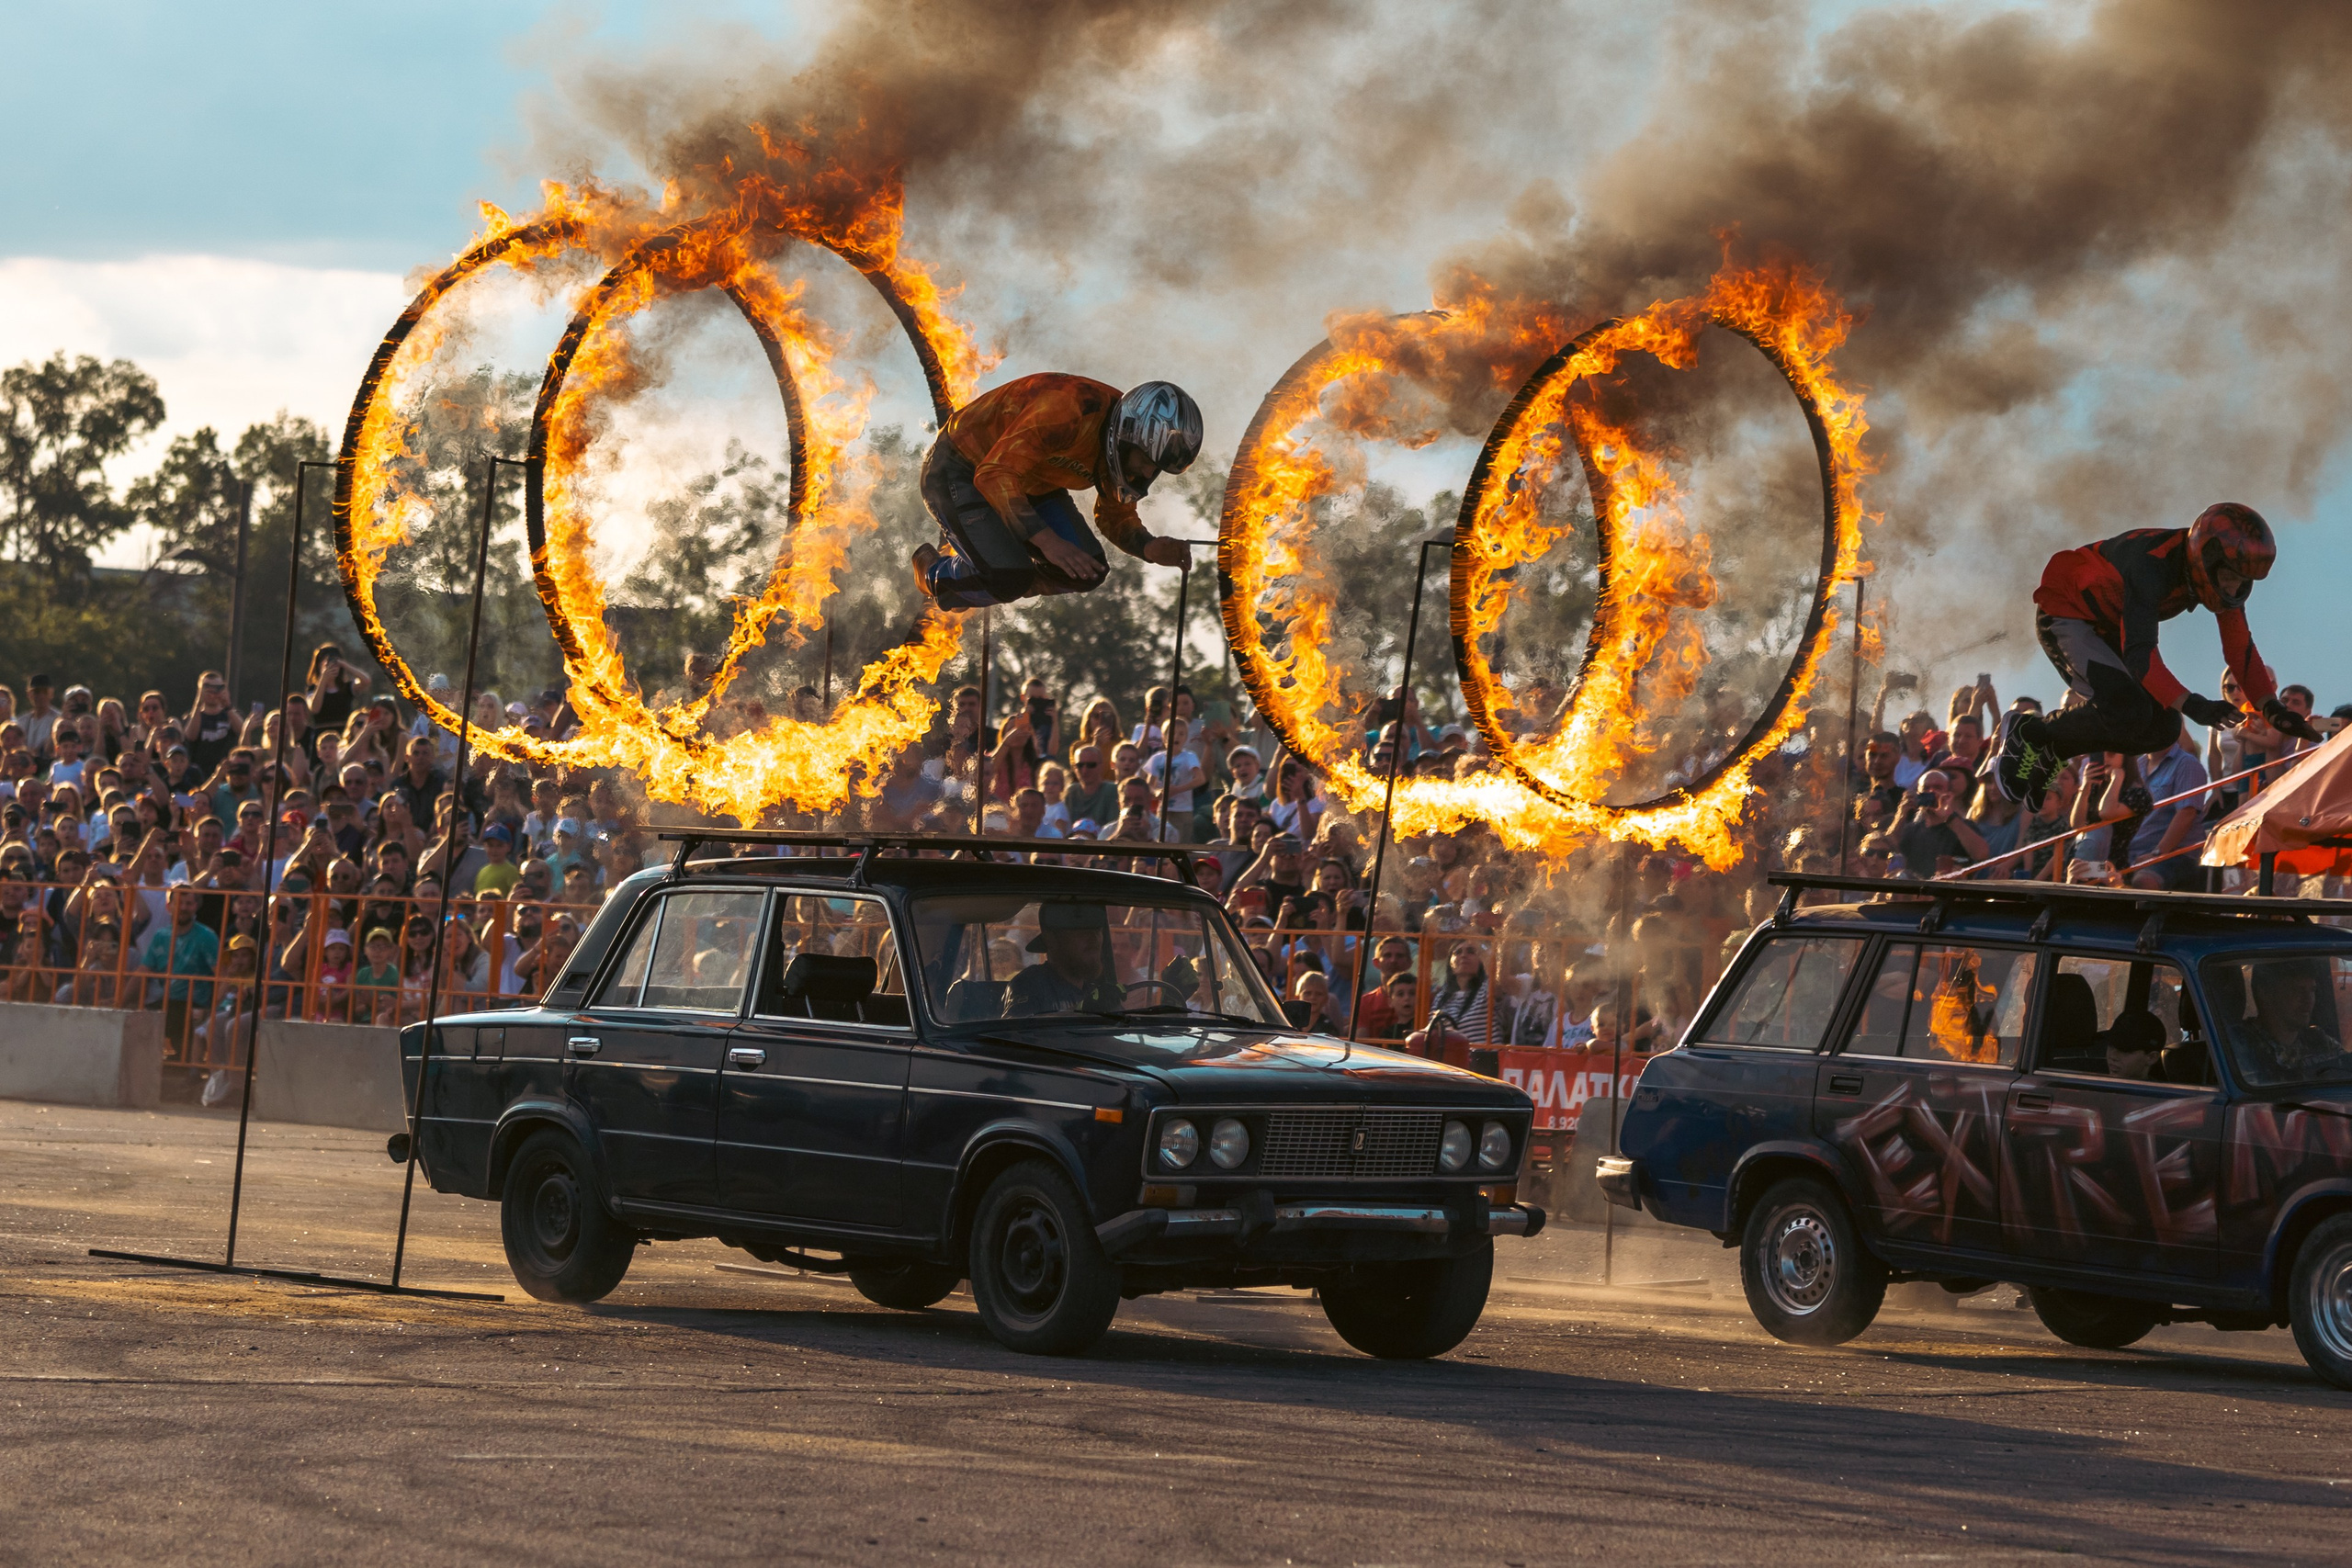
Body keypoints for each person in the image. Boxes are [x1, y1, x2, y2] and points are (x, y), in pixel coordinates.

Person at [1998, 504, 2318, 809]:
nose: (2235, 587)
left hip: (2109, 628)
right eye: (2231, 575)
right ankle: (2030, 732)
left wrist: (2272, 708)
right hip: (2067, 615)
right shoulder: (2151, 564)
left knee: (2163, 727)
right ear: (2208, 557)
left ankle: (2053, 747)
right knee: (2128, 706)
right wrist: (2194, 704)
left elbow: (2239, 648)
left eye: (2243, 580)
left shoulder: (2211, 575)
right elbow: (2140, 656)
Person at [910, 376, 1200, 609]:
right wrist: (1047, 541)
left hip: (1033, 483)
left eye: (1157, 469)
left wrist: (1148, 547)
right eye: (1148, 462)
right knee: (1009, 577)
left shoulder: (1121, 450)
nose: (1148, 474)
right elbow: (994, 474)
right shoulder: (1066, 409)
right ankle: (938, 574)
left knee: (1089, 571)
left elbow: (1114, 514)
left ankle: (990, 581)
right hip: (961, 467)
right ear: (1127, 437)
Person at [1003, 903, 1125, 1015]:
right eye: (1082, 931)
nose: (1094, 939)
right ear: (1051, 940)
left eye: (1097, 930)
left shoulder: (1093, 992)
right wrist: (1080, 1010)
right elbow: (1015, 1032)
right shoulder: (1028, 985)